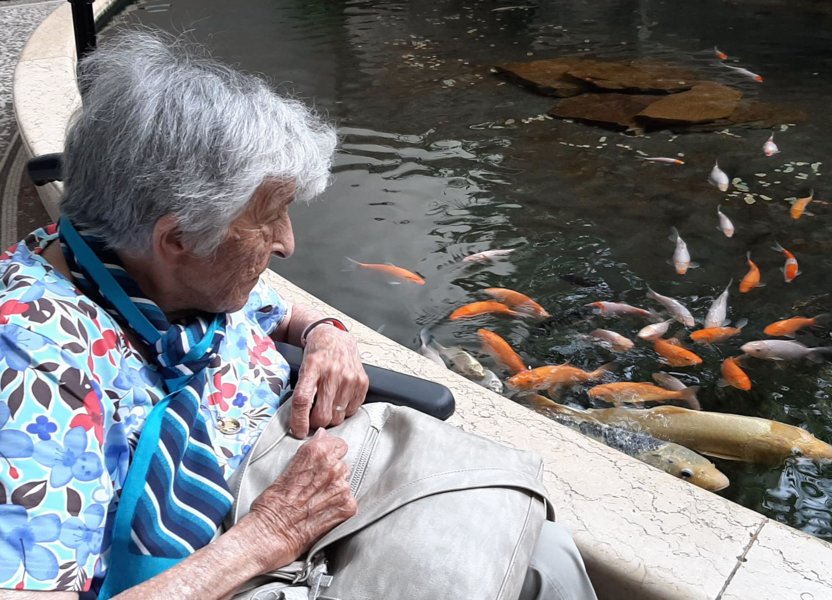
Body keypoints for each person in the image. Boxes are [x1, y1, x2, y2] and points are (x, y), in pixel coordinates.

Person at [0, 30, 597, 600]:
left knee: (541, 543)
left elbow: (283, 311)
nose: (287, 243)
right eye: (271, 216)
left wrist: (325, 333)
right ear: (177, 238)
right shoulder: (37, 374)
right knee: (528, 566)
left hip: (303, 478)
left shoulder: (141, 267)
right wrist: (268, 534)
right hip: (242, 543)